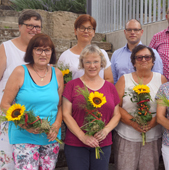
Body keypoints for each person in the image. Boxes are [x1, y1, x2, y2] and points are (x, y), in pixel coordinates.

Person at [0, 33, 63, 170]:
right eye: (38, 49)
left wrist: (57, 125)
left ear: (51, 53)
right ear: (31, 52)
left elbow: (60, 105)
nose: (43, 54)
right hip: (24, 136)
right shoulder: (20, 72)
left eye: (47, 50)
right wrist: (25, 125)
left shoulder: (57, 74)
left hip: (50, 138)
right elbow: (5, 104)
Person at [62, 44, 120, 170]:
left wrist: (105, 130)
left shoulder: (110, 87)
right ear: (82, 63)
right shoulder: (72, 85)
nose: (92, 66)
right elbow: (66, 114)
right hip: (76, 143)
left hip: (102, 143)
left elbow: (117, 114)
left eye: (95, 62)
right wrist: (83, 136)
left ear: (102, 63)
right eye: (88, 62)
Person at [0, 10, 42, 169]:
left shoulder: (41, 51)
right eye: (29, 25)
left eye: (37, 26)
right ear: (19, 26)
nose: (34, 30)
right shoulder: (6, 48)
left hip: (33, 116)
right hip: (9, 116)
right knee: (8, 162)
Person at [114, 45, 167, 170]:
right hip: (127, 135)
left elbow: (165, 106)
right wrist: (133, 123)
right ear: (133, 62)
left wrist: (153, 122)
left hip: (153, 135)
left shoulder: (161, 79)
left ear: (153, 61)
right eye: (139, 57)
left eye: (147, 57)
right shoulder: (124, 80)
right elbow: (117, 106)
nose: (144, 60)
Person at [58, 14, 113, 83]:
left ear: (93, 32)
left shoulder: (102, 53)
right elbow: (60, 82)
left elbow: (109, 79)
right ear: (75, 31)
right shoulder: (65, 56)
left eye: (89, 28)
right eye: (82, 28)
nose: (86, 31)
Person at [111, 19, 163, 84]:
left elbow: (157, 78)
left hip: (146, 92)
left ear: (141, 32)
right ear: (125, 32)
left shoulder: (152, 53)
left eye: (136, 30)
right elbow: (113, 80)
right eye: (129, 30)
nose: (132, 32)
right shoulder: (116, 55)